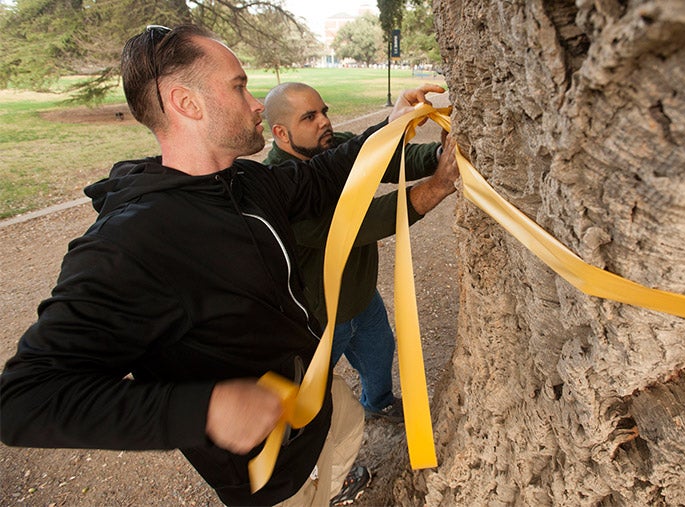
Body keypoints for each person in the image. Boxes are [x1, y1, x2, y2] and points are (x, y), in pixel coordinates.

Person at [0, 24, 445, 507]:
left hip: (313, 402)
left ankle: (333, 485)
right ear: (186, 103)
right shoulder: (130, 244)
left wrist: (393, 126)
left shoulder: (247, 180)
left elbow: (325, 173)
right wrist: (206, 408)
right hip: (262, 476)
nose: (256, 104)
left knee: (343, 433)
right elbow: (24, 399)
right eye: (238, 86)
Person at [262, 82, 458, 423]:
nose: (324, 121)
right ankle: (325, 468)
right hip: (318, 319)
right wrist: (438, 185)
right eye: (309, 117)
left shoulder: (333, 148)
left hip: (362, 297)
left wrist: (438, 157)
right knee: (310, 395)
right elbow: (359, 223)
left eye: (324, 111)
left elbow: (389, 158)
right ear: (281, 132)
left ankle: (377, 402)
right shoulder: (277, 189)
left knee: (379, 352)